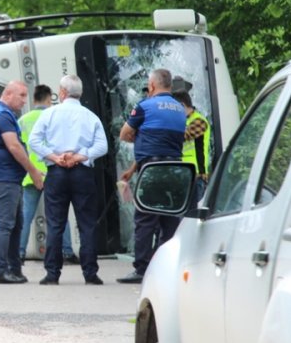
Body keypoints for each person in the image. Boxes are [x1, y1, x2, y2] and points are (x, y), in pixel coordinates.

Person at [27, 75, 108, 285]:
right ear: (79, 93)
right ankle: (90, 273)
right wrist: (80, 156)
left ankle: (52, 274)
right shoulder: (91, 116)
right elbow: (102, 147)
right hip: (83, 173)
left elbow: (34, 140)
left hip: (57, 173)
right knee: (87, 224)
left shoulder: (50, 113)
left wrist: (54, 156)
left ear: (62, 92)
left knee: (55, 223)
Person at [117, 68, 186, 284]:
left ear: (153, 86)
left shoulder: (145, 106)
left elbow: (124, 133)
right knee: (169, 219)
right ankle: (164, 266)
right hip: (175, 170)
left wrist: (137, 138)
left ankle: (142, 269)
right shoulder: (180, 109)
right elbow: (163, 142)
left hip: (152, 171)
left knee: (145, 219)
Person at [0, 81, 45, 284]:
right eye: (21, 95)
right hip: (4, 178)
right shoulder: (2, 115)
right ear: (8, 94)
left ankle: (14, 269)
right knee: (4, 225)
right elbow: (14, 147)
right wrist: (34, 171)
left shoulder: (0, 114)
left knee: (15, 225)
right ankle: (1, 272)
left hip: (8, 178)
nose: (25, 101)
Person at [18, 84, 79, 263]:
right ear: (48, 99)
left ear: (34, 99)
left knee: (26, 216)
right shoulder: (54, 117)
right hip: (53, 172)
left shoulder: (22, 120)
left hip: (30, 175)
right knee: (59, 215)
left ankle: (19, 253)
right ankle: (67, 252)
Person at [171, 77, 211, 203]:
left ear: (182, 105)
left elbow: (181, 136)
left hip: (195, 176)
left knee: (191, 217)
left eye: (174, 108)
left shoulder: (199, 121)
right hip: (181, 175)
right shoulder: (181, 121)